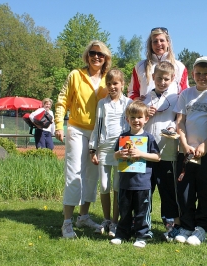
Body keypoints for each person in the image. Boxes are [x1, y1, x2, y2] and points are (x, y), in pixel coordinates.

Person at [54, 40, 112, 239]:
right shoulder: (75, 75)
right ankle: (67, 222)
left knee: (91, 176)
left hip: (99, 133)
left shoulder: (108, 79)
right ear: (87, 55)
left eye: (101, 54)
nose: (97, 57)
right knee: (74, 173)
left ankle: (83, 216)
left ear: (106, 59)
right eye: (93, 53)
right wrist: (58, 123)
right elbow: (62, 100)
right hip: (77, 129)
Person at [172, 56, 207, 245]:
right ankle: (186, 225)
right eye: (198, 73)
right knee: (184, 191)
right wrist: (184, 145)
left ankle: (203, 226)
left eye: (206, 73)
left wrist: (205, 145)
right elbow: (180, 121)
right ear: (192, 74)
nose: (201, 77)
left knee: (204, 190)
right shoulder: (185, 94)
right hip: (186, 152)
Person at [110, 101, 160, 248]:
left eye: (139, 117)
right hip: (125, 182)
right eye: (132, 117)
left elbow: (157, 157)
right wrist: (119, 154)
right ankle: (122, 234)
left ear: (146, 119)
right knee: (124, 210)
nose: (136, 120)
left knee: (141, 211)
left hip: (143, 183)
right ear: (127, 119)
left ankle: (142, 235)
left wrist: (141, 154)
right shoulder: (123, 137)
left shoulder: (149, 138)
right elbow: (115, 156)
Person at [89, 69, 132, 237]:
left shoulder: (128, 103)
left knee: (117, 187)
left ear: (122, 84)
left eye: (115, 83)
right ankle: (106, 219)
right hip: (104, 148)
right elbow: (97, 126)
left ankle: (115, 221)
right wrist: (93, 148)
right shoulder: (102, 103)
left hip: (122, 148)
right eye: (109, 84)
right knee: (105, 186)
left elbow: (134, 124)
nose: (112, 87)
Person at [141, 61, 180, 240]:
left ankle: (170, 222)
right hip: (147, 152)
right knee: (146, 189)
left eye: (166, 79)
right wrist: (145, 114)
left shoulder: (176, 98)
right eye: (159, 78)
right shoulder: (146, 98)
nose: (162, 82)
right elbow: (137, 121)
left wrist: (173, 127)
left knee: (168, 190)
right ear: (153, 78)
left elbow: (178, 120)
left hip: (167, 152)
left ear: (172, 79)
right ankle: (142, 222)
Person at [127, 27, 189, 100]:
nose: (158, 44)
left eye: (162, 40)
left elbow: (185, 93)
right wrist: (137, 100)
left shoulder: (179, 67)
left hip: (171, 111)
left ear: (168, 43)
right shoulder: (140, 66)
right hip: (146, 110)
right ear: (151, 44)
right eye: (155, 41)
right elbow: (132, 92)